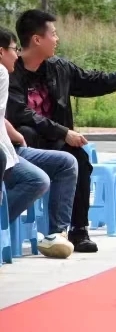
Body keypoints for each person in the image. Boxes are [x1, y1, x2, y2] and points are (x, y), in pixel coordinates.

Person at [7, 10, 116, 253]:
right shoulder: (12, 72)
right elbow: (20, 113)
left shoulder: (59, 68)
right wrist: (64, 132)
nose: (57, 39)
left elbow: (92, 80)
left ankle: (77, 230)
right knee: (30, 134)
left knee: (80, 159)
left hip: (55, 141)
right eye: (53, 34)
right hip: (25, 146)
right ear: (37, 39)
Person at [0, 27, 78, 258]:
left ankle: (57, 235)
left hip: (11, 148)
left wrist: (12, 132)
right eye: (13, 49)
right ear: (1, 52)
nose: (17, 55)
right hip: (4, 154)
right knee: (36, 180)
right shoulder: (2, 73)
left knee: (66, 163)